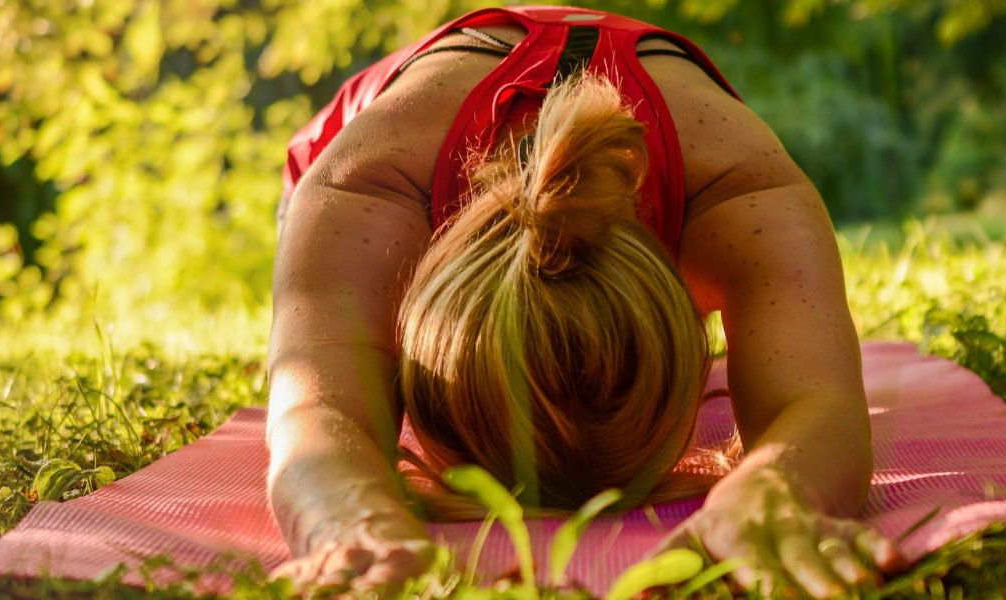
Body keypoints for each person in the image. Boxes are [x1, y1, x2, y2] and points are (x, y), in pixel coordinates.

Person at [266, 5, 902, 596]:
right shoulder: (366, 184)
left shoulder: (741, 189)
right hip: (375, 146)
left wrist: (776, 491)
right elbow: (315, 416)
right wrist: (348, 517)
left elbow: (818, 404)